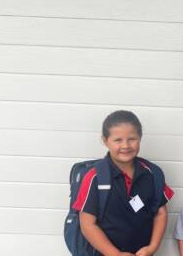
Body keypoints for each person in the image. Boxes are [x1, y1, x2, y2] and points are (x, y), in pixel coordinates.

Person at [72, 110, 173, 256]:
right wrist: (115, 254)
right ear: (105, 141)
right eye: (118, 140)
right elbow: (87, 224)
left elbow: (160, 213)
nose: (125, 145)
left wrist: (152, 247)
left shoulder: (152, 173)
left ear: (140, 138)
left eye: (132, 139)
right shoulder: (94, 177)